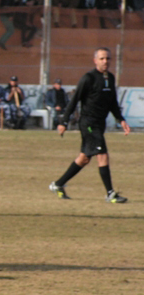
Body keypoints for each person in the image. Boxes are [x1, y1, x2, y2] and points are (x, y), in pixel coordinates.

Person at [50, 47, 130, 203]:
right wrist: (64, 122)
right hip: (88, 123)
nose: (105, 61)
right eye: (101, 58)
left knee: (84, 158)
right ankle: (110, 193)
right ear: (95, 61)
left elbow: (112, 102)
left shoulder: (111, 78)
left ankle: (57, 184)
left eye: (107, 58)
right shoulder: (88, 78)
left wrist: (121, 120)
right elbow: (74, 100)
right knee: (103, 155)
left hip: (99, 123)